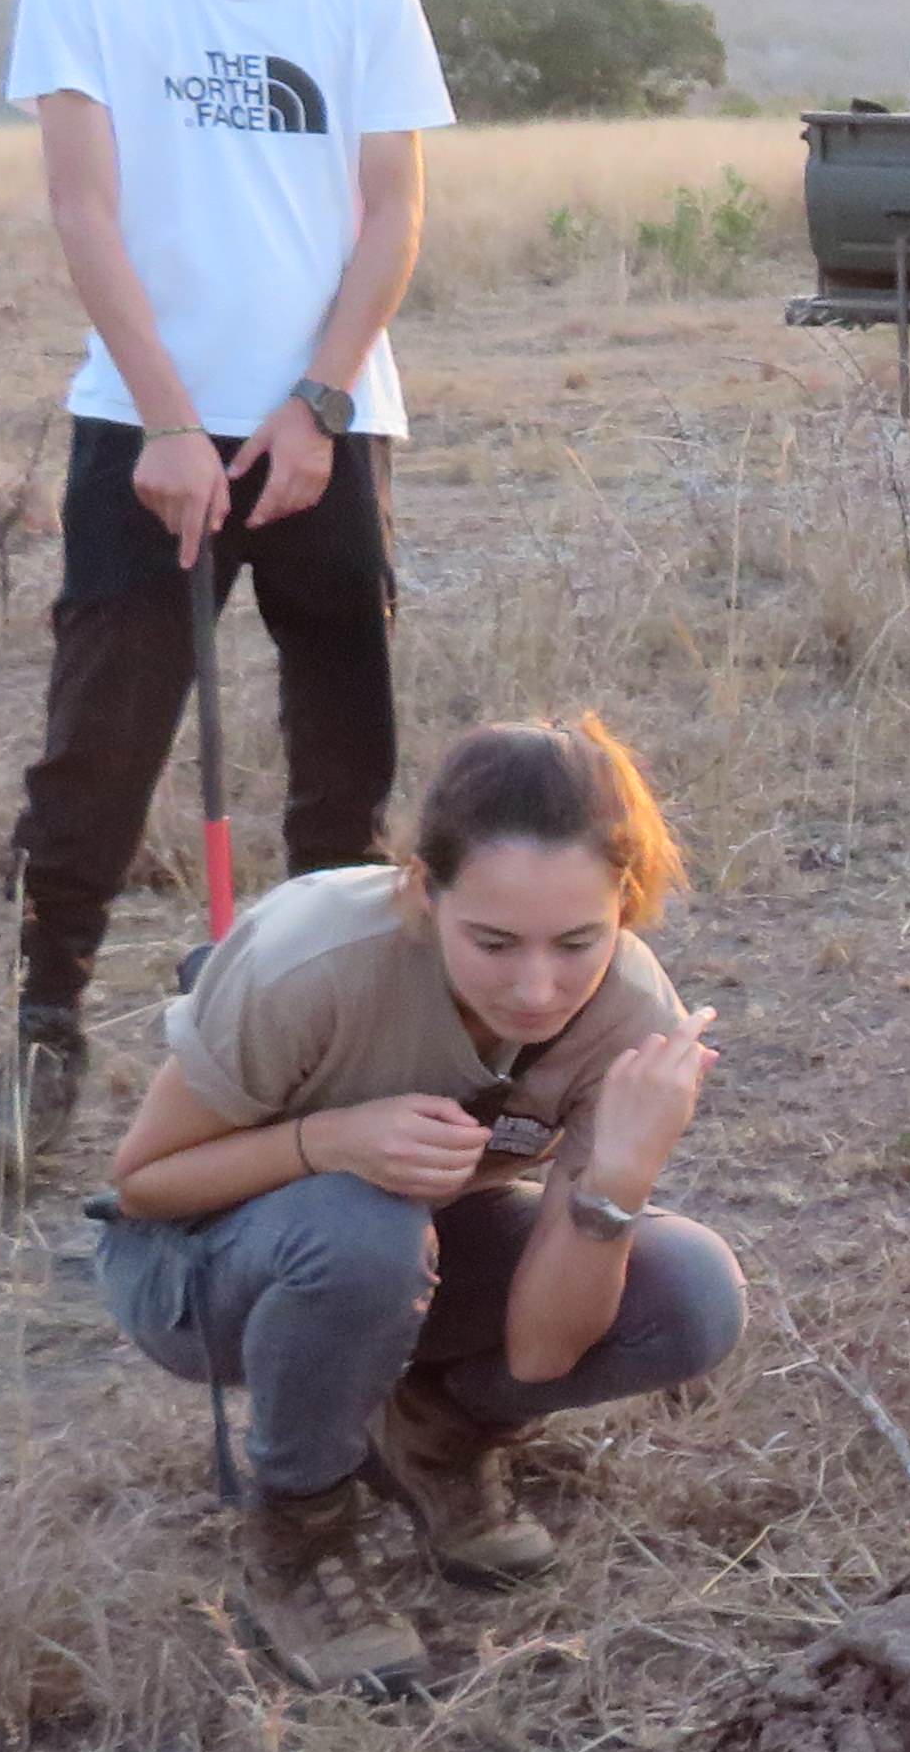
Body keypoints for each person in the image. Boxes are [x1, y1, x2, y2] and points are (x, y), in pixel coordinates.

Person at [0, 0, 456, 1172]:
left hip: (323, 424)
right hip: (143, 429)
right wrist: (170, 422)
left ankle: (325, 1027)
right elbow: (81, 206)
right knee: (98, 744)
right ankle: (46, 1034)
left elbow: (391, 213)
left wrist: (316, 403)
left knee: (341, 743)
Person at [92, 717, 741, 1694]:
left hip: (407, 1252)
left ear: (626, 905)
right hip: (198, 1267)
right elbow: (142, 1183)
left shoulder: (630, 1019)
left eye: (579, 941)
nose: (537, 989)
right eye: (492, 941)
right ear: (420, 891)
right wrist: (329, 1141)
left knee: (690, 1291)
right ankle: (300, 1534)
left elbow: (539, 1354)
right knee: (365, 1229)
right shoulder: (312, 962)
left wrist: (617, 1180)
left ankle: (432, 1430)